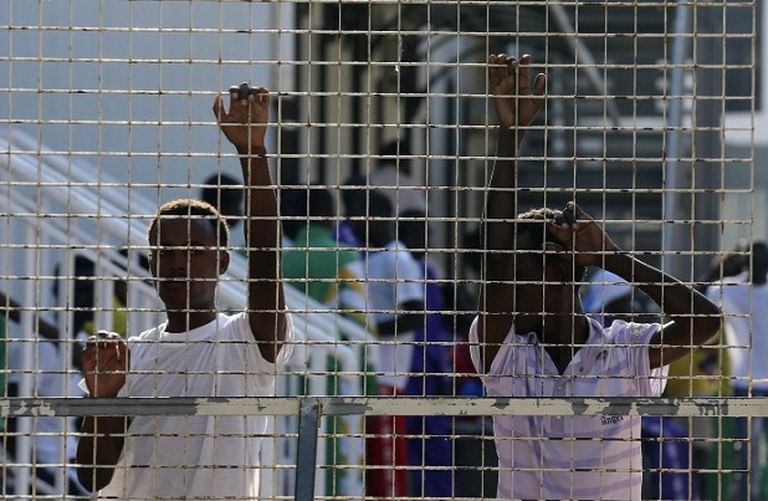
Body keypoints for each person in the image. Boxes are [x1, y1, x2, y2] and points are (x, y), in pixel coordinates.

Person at [469, 53, 722, 500]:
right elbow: (495, 262)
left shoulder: (623, 349)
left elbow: (705, 323)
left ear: (557, 271)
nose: (505, 287)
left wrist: (613, 258)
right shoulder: (506, 355)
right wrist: (509, 137)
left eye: (519, 273)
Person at [75, 83, 293, 500]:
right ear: (151, 264)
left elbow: (266, 261)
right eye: (167, 252)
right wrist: (103, 400)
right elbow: (92, 478)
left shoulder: (246, 341)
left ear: (223, 263)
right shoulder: (130, 357)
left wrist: (252, 153)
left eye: (194, 251)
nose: (178, 262)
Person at [281, 185, 370, 496]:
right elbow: (360, 324)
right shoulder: (344, 256)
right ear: (330, 215)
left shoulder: (283, 259)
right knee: (338, 467)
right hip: (338, 377)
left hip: (289, 375)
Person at [353, 189, 426, 498]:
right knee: (372, 472)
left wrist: (368, 331)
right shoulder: (370, 259)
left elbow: (414, 314)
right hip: (371, 378)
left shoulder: (398, 258)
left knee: (387, 473)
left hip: (387, 378)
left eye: (360, 216)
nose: (354, 223)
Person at [397, 208, 454, 499]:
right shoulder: (396, 267)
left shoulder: (428, 273)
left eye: (428, 234)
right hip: (404, 371)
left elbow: (435, 327)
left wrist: (442, 369)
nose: (426, 240)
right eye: (420, 233)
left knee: (436, 444)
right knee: (404, 444)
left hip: (429, 372)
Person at [705, 240, 768, 501]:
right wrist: (721, 267)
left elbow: (703, 291)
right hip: (745, 383)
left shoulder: (727, 289)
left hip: (746, 382)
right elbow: (701, 296)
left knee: (748, 454)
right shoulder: (728, 289)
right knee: (748, 455)